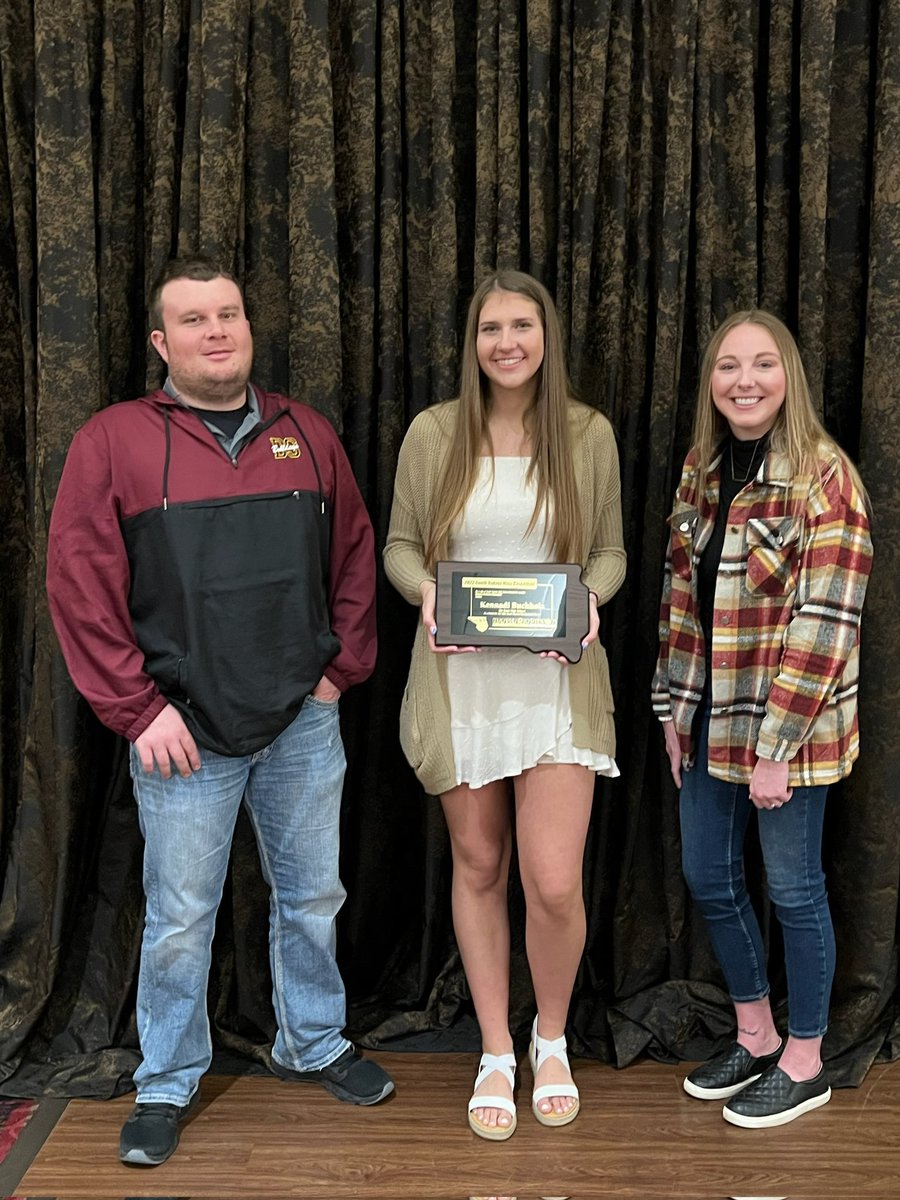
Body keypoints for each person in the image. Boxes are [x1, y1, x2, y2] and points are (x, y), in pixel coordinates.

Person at [46, 255, 393, 1167]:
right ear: (162, 342)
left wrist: (337, 675)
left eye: (229, 314)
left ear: (248, 326)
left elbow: (354, 557)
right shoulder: (113, 441)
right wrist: (135, 708)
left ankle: (312, 1040)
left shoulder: (305, 433)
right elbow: (80, 585)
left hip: (301, 722)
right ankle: (166, 1079)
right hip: (179, 734)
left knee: (313, 895)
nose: (216, 331)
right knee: (180, 915)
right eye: (194, 320)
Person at [384, 270, 626, 1140]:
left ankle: (549, 1036)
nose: (507, 342)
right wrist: (424, 597)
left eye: (522, 325)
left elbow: (610, 554)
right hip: (463, 685)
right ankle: (494, 1048)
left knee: (554, 882)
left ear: (546, 336)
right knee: (479, 867)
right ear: (473, 341)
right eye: (491, 327)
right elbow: (402, 547)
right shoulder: (434, 433)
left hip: (558, 685)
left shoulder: (586, 434)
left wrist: (592, 600)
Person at [652, 309, 872, 1129]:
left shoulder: (824, 476)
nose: (745, 381)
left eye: (763, 365)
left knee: (794, 888)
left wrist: (777, 747)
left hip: (791, 731)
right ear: (711, 382)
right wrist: (671, 708)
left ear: (790, 378)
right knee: (710, 874)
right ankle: (755, 1032)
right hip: (708, 716)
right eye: (728, 366)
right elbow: (680, 599)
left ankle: (806, 1059)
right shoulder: (702, 472)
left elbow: (827, 624)